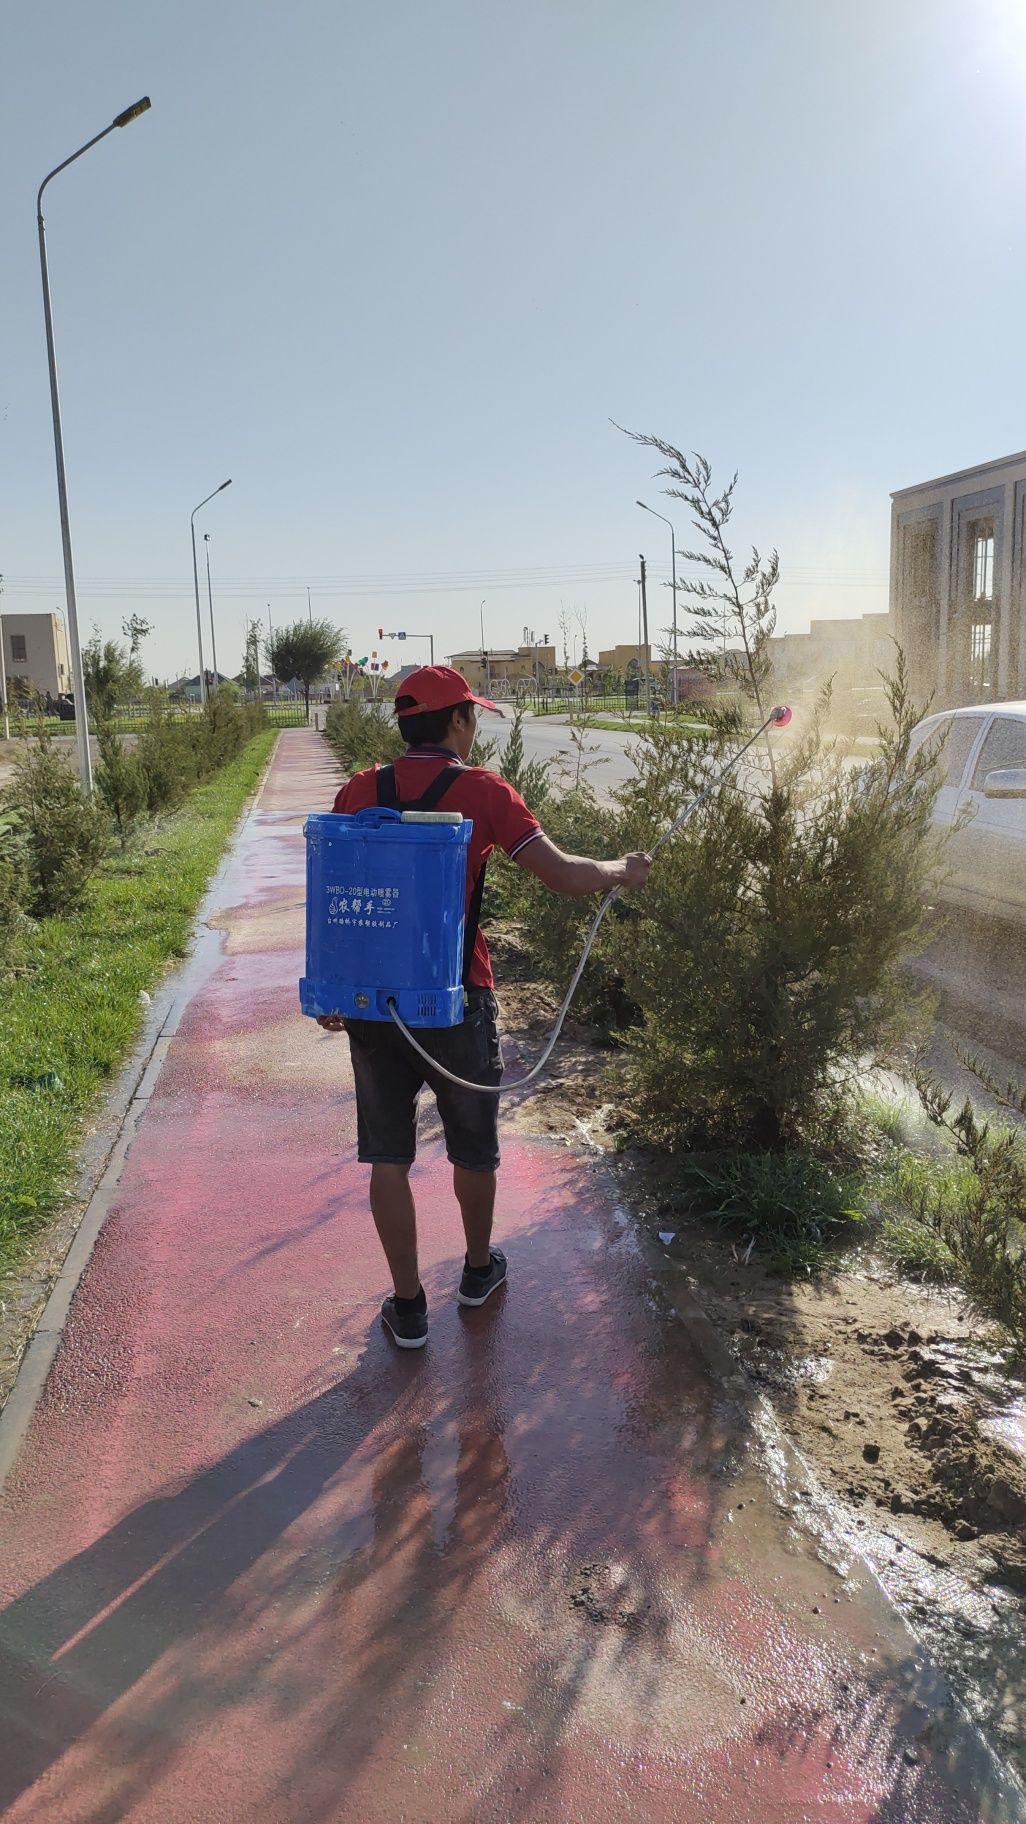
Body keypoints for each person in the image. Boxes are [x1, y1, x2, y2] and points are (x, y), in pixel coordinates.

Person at [318, 664, 651, 1349]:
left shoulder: (358, 790)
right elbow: (559, 874)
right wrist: (620, 869)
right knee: (473, 1147)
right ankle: (476, 1271)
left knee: (388, 1157)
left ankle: (408, 1308)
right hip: (458, 1000)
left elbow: (332, 892)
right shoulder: (482, 791)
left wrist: (331, 985)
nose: (476, 728)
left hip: (375, 1003)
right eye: (474, 717)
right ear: (458, 722)